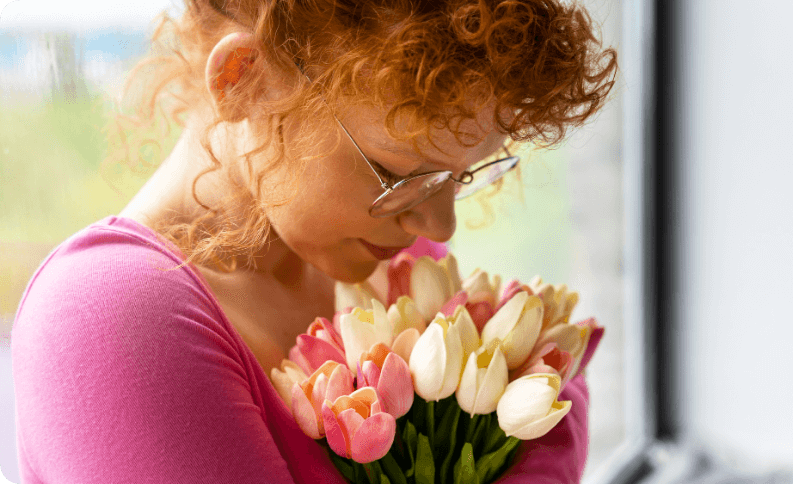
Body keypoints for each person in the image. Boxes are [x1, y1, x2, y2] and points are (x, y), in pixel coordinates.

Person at [11, 0, 617, 482]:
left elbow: (538, 392)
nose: (439, 228)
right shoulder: (111, 321)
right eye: (401, 175)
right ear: (242, 80)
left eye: (460, 176)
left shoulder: (390, 256)